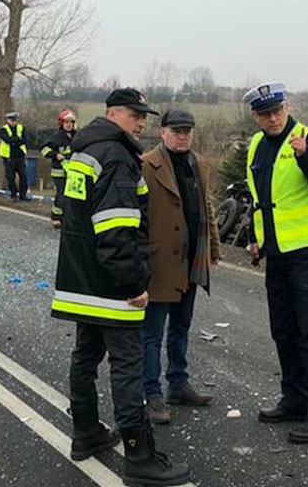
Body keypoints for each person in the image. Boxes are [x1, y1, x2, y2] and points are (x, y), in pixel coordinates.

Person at [51, 88, 189, 486]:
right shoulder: (116, 157)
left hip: (80, 278)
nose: (141, 121)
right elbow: (117, 229)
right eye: (134, 114)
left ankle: (87, 432)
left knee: (85, 355)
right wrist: (134, 283)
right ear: (113, 114)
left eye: (144, 115)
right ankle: (139, 455)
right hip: (110, 283)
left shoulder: (84, 149)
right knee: (128, 366)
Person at [244, 82, 308, 445]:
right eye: (264, 113)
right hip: (277, 253)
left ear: (287, 106)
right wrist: (255, 238)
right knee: (284, 331)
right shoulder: (256, 145)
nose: (272, 118)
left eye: (277, 110)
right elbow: (261, 199)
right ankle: (294, 399)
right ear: (255, 116)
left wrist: (306, 157)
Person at [140, 109, 222, 425]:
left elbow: (208, 206)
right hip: (159, 261)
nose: (182, 135)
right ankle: (152, 393)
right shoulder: (146, 164)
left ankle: (177, 382)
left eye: (187, 130)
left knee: (181, 326)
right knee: (151, 333)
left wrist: (213, 246)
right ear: (163, 132)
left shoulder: (198, 164)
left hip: (191, 259)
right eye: (176, 130)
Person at [41, 109, 77, 227]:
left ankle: (68, 218)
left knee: (72, 196)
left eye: (71, 122)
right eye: (66, 122)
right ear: (61, 123)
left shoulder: (77, 137)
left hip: (73, 172)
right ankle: (56, 217)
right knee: (61, 195)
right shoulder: (56, 137)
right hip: (59, 172)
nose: (69, 124)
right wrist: (55, 155)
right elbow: (43, 149)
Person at [0, 111, 29, 201]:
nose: (13, 122)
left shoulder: (21, 128)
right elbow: (7, 140)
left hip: (20, 156)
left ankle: (23, 195)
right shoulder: (3, 129)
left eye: (15, 120)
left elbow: (25, 140)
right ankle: (13, 194)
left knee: (23, 176)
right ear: (7, 120)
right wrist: (16, 140)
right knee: (10, 177)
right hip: (9, 157)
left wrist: (13, 141)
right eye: (11, 120)